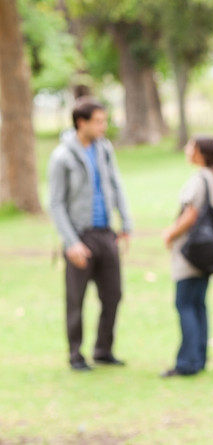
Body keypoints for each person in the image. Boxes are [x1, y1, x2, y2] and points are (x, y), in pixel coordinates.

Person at [48, 97, 133, 371]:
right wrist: (71, 243)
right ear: (81, 122)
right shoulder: (62, 156)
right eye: (98, 121)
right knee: (76, 299)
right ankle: (75, 354)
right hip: (79, 236)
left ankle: (103, 350)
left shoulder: (104, 149)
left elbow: (116, 185)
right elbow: (56, 203)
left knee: (113, 294)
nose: (103, 126)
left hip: (106, 233)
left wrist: (126, 225)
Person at [160, 136, 213, 377]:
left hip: (190, 251)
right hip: (207, 250)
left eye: (190, 146)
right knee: (197, 304)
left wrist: (170, 233)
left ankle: (187, 363)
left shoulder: (199, 178)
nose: (186, 150)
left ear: (200, 152)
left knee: (185, 304)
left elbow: (191, 214)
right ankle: (198, 358)